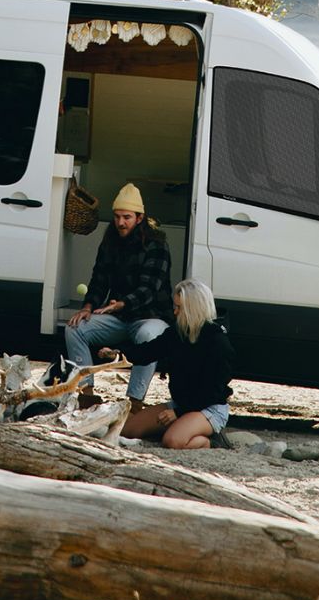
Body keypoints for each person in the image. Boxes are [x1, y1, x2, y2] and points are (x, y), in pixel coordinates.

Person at [65, 182, 172, 410]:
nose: (120, 222)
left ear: (139, 218)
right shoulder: (110, 241)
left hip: (150, 316)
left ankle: (134, 402)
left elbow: (149, 289)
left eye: (126, 217)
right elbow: (99, 279)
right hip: (120, 316)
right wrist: (88, 306)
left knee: (149, 336)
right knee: (74, 328)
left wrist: (121, 304)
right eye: (116, 216)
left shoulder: (157, 244)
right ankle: (86, 394)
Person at [99, 278, 233, 450]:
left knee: (173, 441)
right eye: (174, 306)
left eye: (179, 308)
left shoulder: (218, 343)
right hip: (180, 403)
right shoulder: (177, 334)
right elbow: (148, 352)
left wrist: (179, 413)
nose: (175, 312)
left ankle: (211, 441)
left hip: (208, 408)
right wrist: (119, 353)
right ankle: (181, 426)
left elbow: (213, 392)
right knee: (127, 430)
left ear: (193, 309)